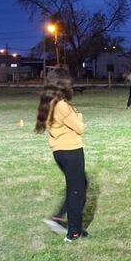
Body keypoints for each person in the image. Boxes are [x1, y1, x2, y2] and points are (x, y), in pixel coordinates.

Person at [35, 68, 88, 241]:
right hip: (71, 151)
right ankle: (73, 232)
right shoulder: (62, 106)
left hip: (60, 151)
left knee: (79, 185)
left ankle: (59, 219)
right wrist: (78, 114)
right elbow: (80, 128)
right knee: (76, 191)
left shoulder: (50, 102)